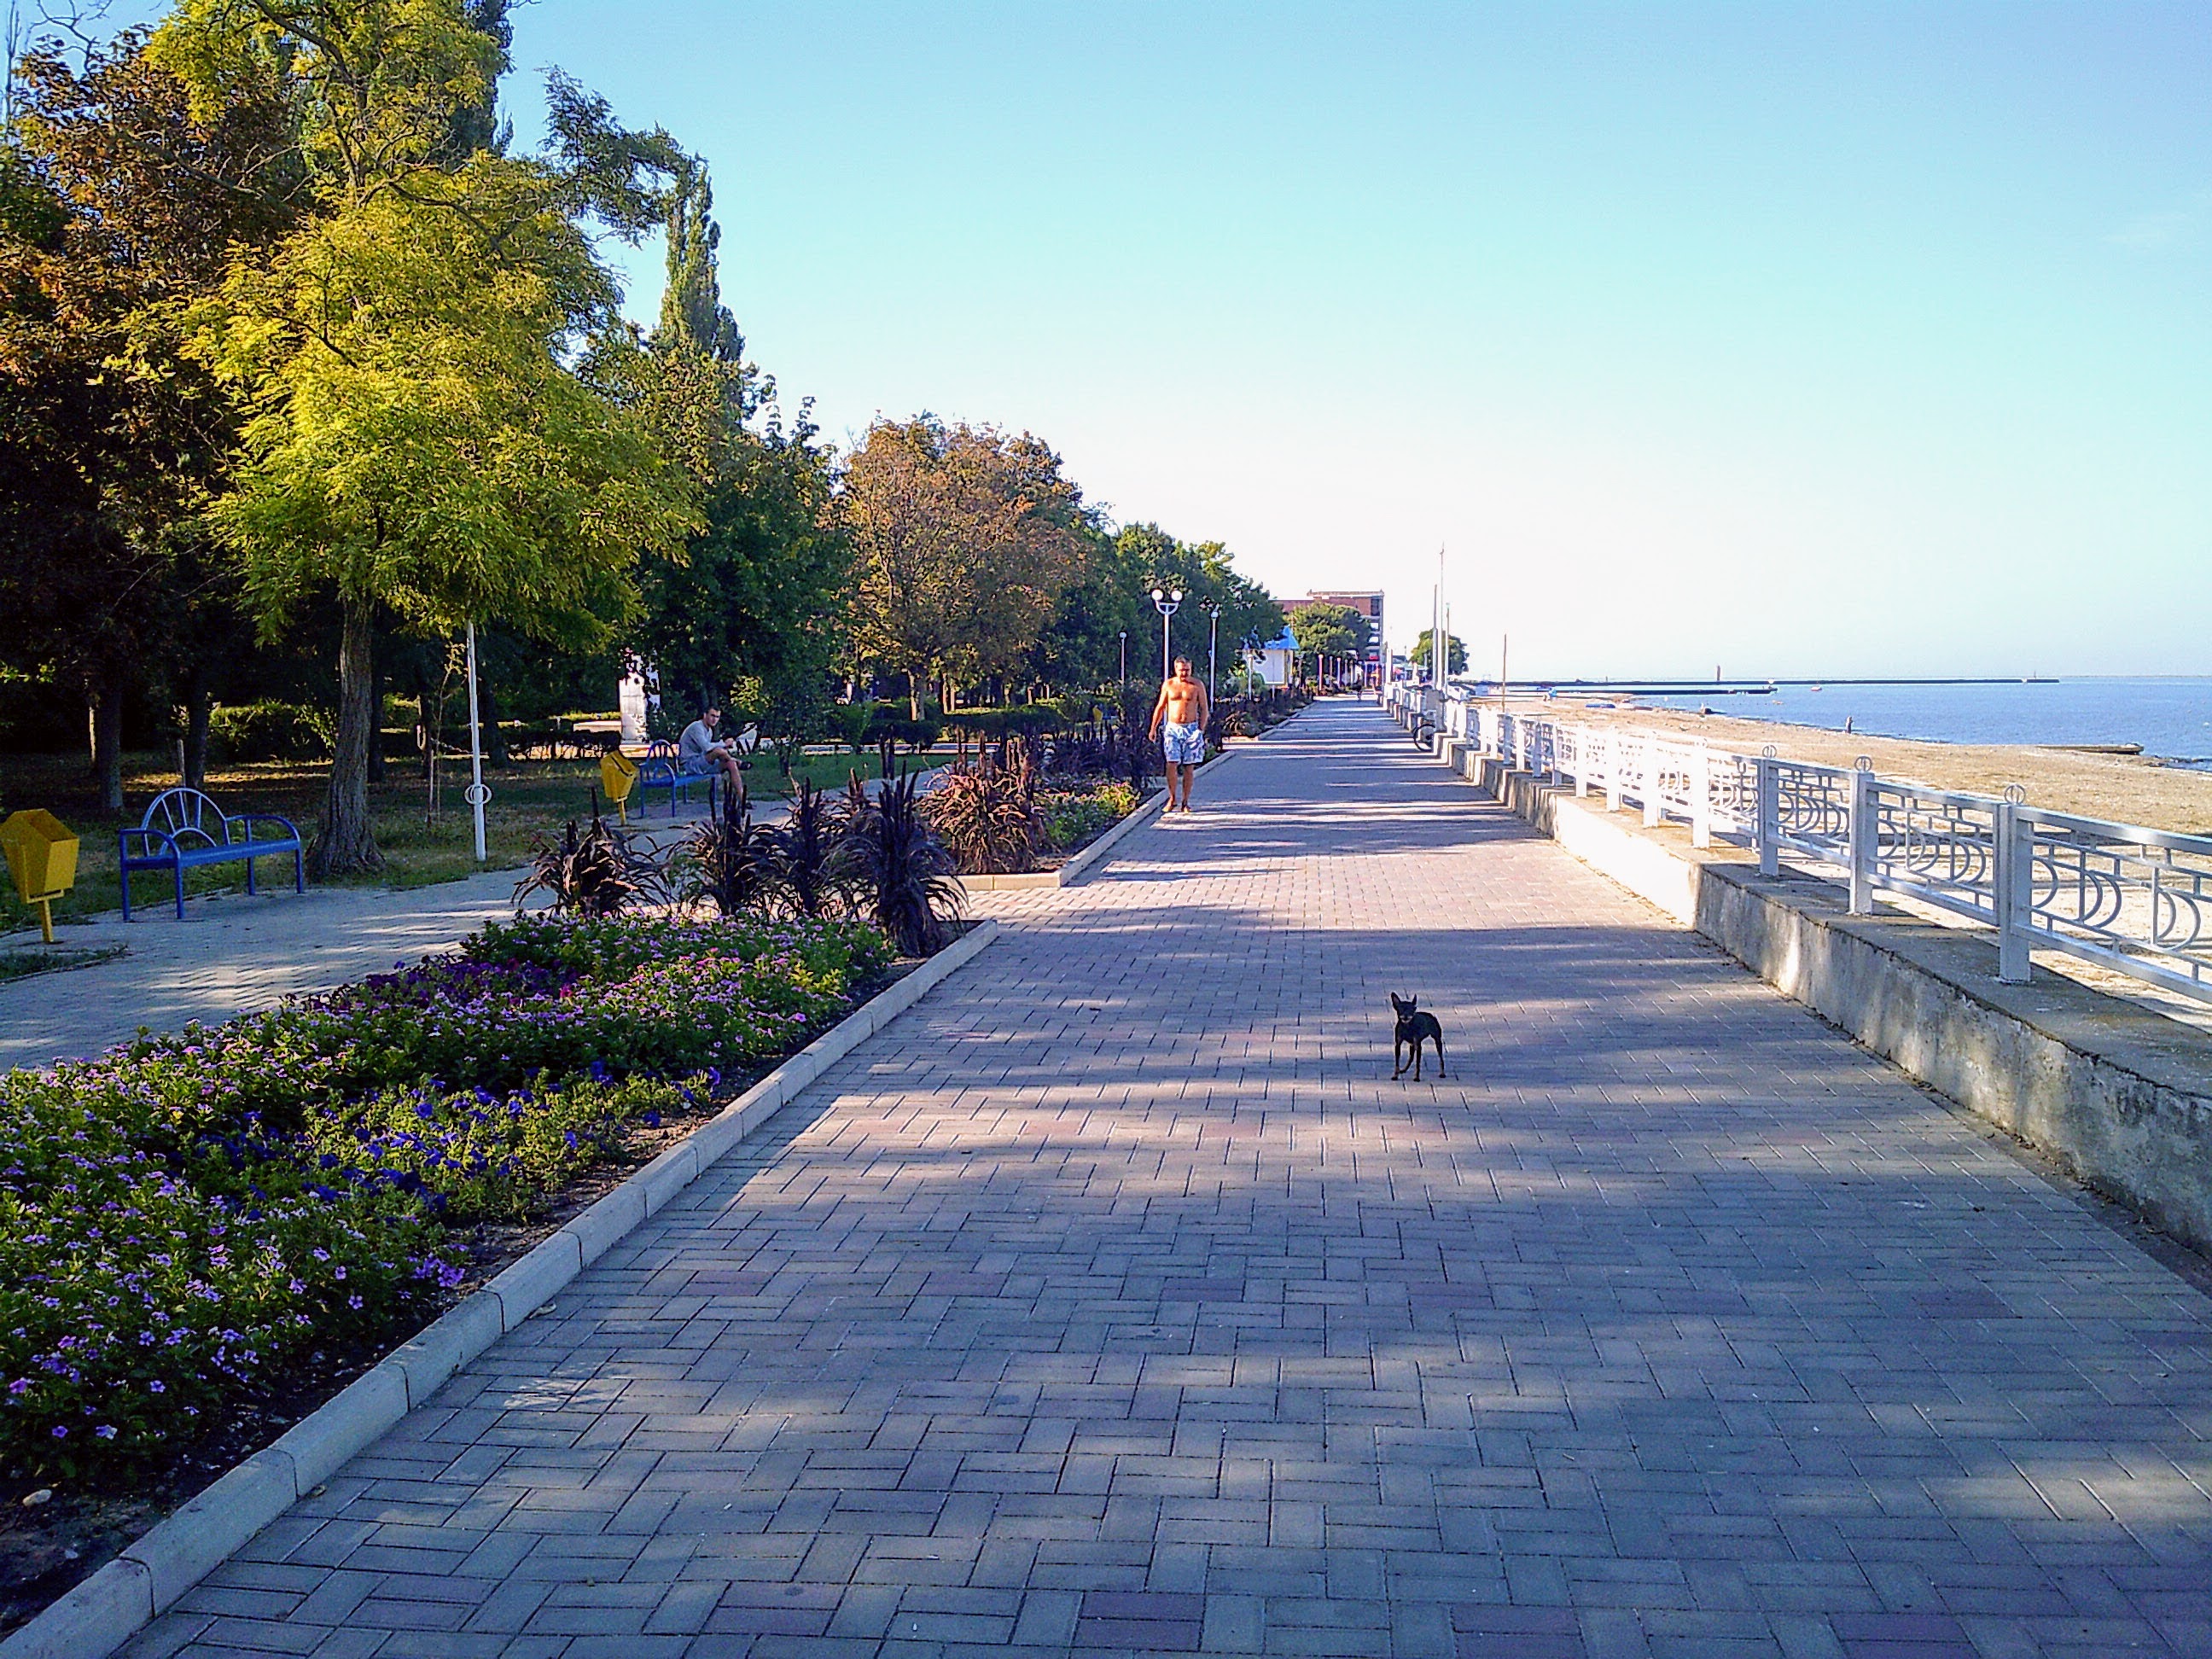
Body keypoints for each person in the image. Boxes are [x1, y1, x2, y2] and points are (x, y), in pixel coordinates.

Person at [1149, 655, 1211, 812]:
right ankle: (1172, 798)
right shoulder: (1169, 685)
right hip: (1172, 728)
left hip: (1191, 729)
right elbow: (1160, 707)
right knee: (1171, 763)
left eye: (1187, 670)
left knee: (1189, 766)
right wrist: (1153, 728)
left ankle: (1185, 801)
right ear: (1175, 669)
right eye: (1181, 670)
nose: (1184, 673)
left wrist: (1200, 730)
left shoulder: (1197, 685)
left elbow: (1204, 708)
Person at [678, 706, 747, 799]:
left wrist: (723, 748)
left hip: (702, 761)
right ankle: (739, 762)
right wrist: (724, 744)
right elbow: (706, 747)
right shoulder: (697, 727)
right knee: (719, 751)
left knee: (731, 764)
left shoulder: (709, 730)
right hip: (689, 764)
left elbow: (709, 751)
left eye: (717, 717)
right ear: (705, 715)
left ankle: (742, 799)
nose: (715, 719)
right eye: (712, 716)